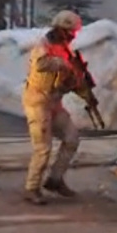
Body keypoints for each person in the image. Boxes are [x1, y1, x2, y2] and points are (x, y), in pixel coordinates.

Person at [21, 10, 86, 205]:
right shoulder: (44, 46)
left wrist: (77, 80)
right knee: (43, 148)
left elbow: (69, 77)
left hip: (54, 102)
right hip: (38, 101)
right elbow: (41, 65)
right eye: (71, 32)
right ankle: (32, 188)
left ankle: (55, 179)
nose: (73, 36)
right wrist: (62, 64)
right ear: (62, 29)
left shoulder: (66, 49)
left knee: (72, 138)